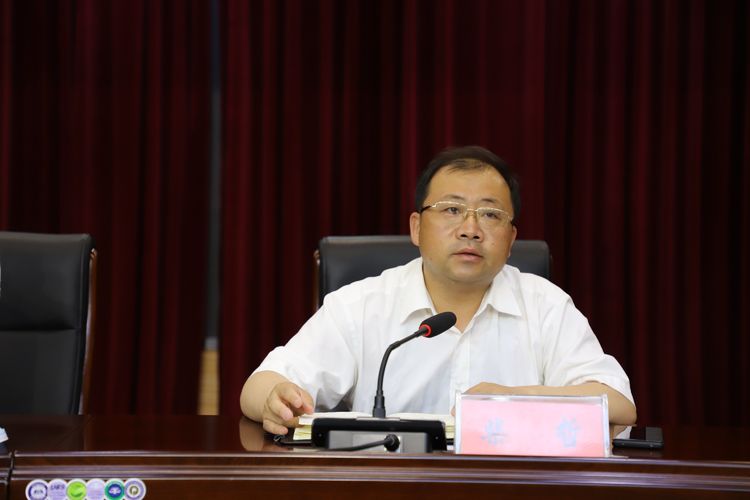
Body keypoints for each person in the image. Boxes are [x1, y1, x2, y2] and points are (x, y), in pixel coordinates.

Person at [241, 146, 637, 435]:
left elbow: (618, 406)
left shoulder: (546, 306)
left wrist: (509, 400)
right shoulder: (362, 305)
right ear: (416, 228)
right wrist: (275, 399)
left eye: (490, 214)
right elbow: (259, 386)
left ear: (511, 239)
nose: (470, 229)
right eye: (452, 209)